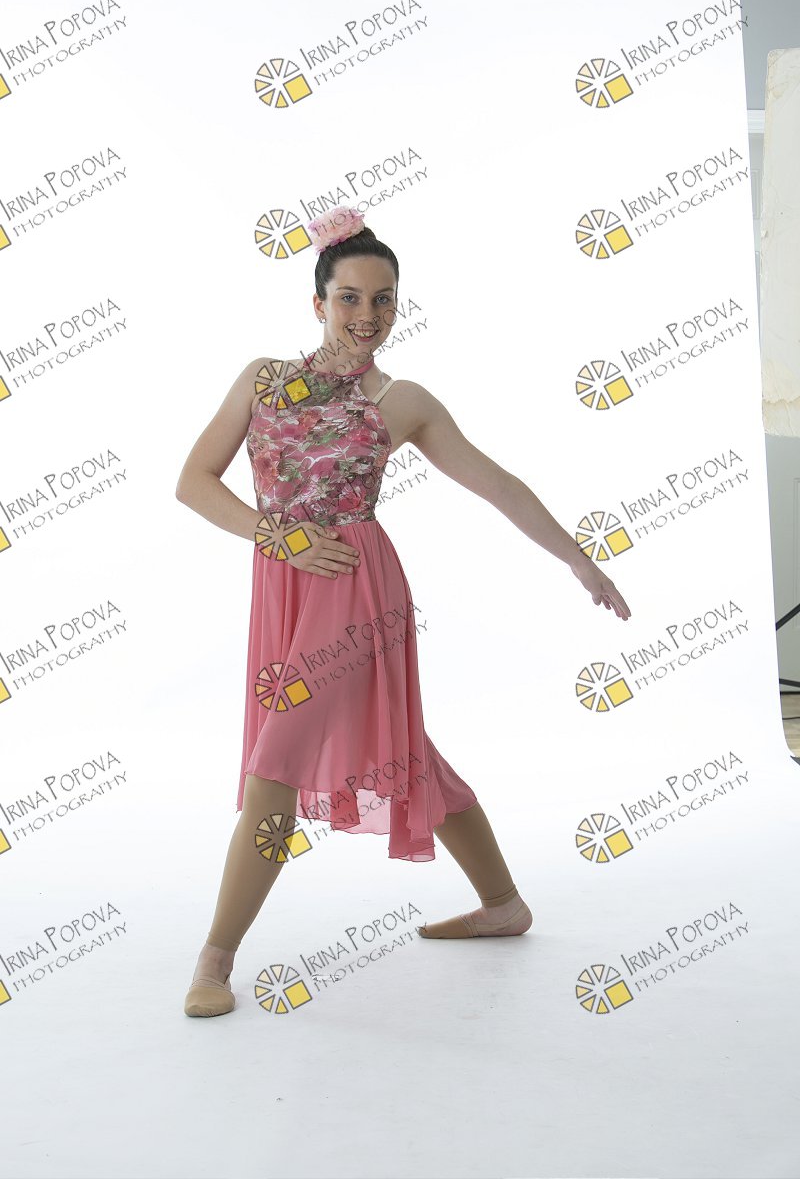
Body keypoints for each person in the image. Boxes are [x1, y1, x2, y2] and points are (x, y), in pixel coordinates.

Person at [176, 206, 632, 1017]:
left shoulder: (404, 399)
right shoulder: (261, 380)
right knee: (404, 752)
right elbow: (193, 483)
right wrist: (277, 537)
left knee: (274, 768)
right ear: (318, 302)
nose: (368, 316)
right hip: (283, 585)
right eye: (350, 298)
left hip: (356, 590)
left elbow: (498, 484)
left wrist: (577, 557)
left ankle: (215, 960)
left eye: (384, 299)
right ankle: (503, 906)